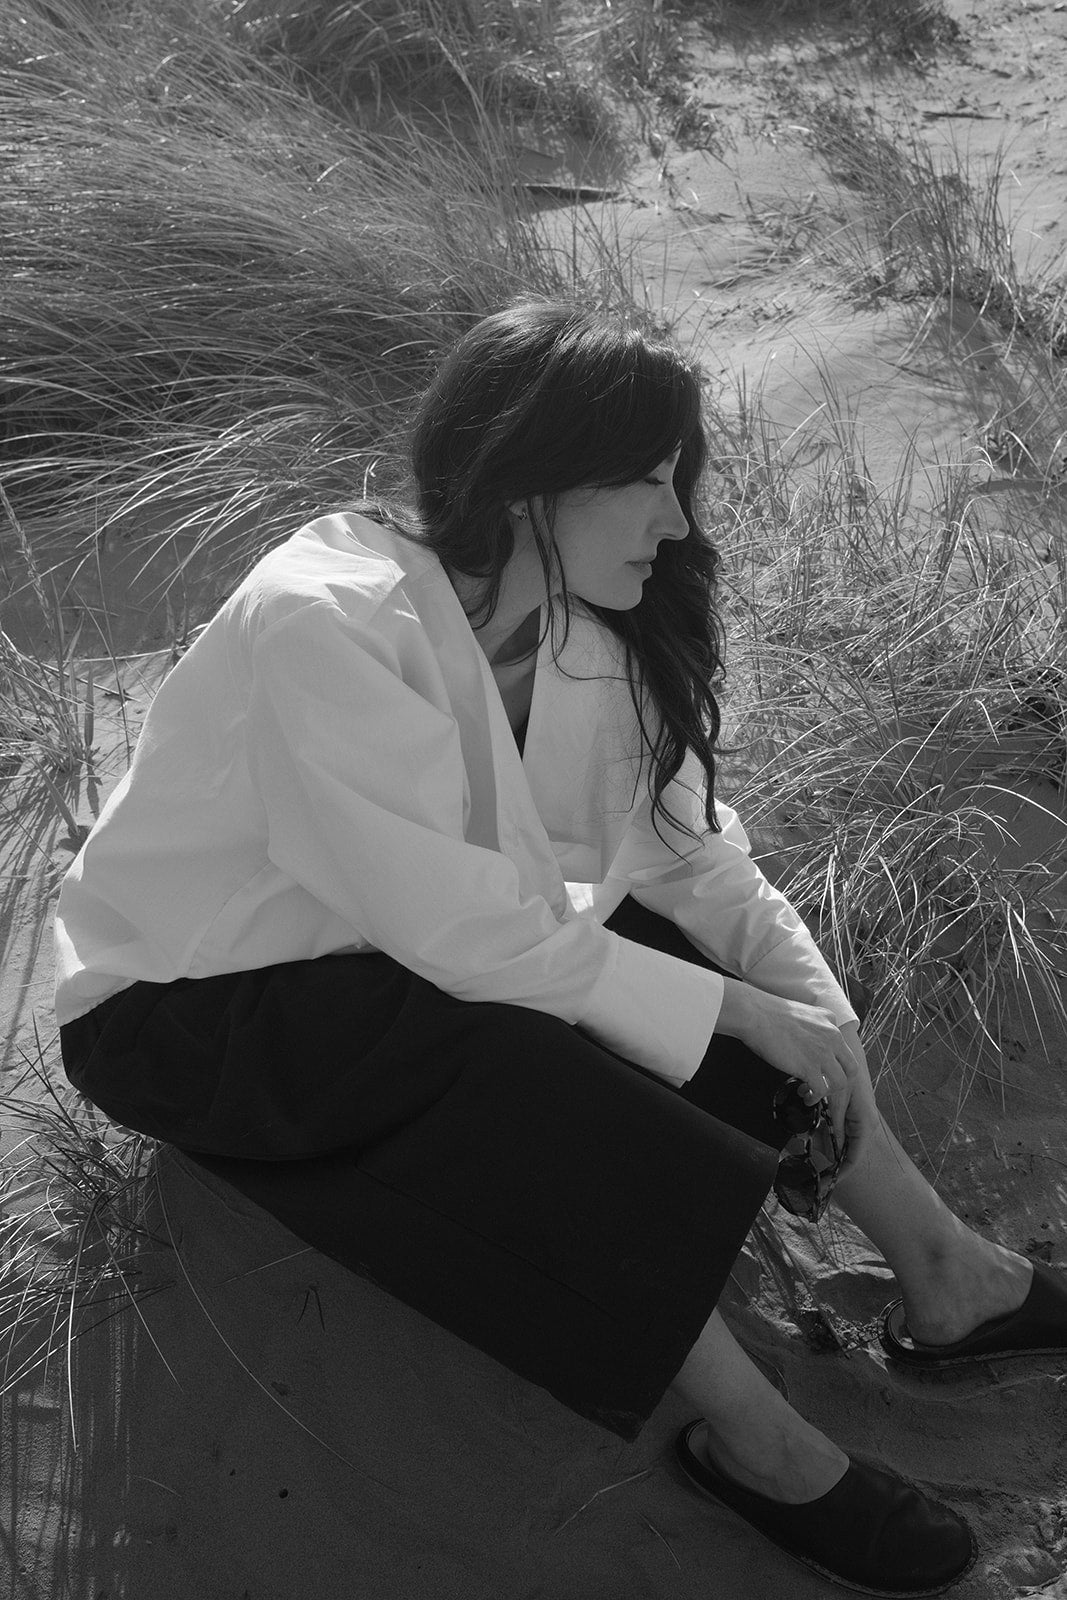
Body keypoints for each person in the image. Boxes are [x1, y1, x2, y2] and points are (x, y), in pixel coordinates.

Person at [54, 298, 1065, 1597]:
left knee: (666, 955)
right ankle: (760, 1444)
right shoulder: (331, 619)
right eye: (647, 481)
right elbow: (462, 940)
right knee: (510, 1047)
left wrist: (821, 1025)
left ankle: (946, 1274)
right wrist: (738, 1015)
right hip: (191, 1008)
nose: (677, 521)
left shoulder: (584, 633)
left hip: (402, 964)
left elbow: (696, 862)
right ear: (532, 478)